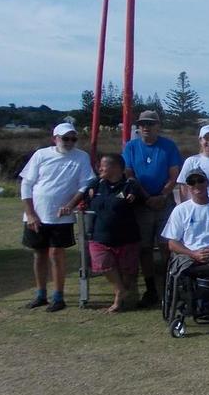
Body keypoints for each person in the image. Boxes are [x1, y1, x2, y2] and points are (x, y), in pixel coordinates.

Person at [19, 122, 95, 312]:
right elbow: (27, 183)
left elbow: (85, 184)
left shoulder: (81, 157)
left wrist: (71, 205)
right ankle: (40, 294)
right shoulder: (41, 155)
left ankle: (58, 296)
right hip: (37, 213)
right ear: (55, 139)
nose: (69, 142)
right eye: (65, 138)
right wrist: (30, 213)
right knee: (39, 253)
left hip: (61, 216)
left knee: (56, 254)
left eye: (73, 139)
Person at [64, 152, 143, 313]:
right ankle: (119, 291)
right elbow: (82, 195)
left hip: (126, 236)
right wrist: (69, 206)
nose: (100, 168)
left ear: (116, 168)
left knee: (129, 270)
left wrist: (134, 194)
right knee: (103, 265)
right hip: (100, 236)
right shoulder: (96, 184)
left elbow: (137, 197)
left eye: (103, 165)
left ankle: (124, 297)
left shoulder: (130, 185)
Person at [122, 110, 181, 308]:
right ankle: (150, 289)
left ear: (158, 126)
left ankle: (169, 285)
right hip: (142, 203)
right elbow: (129, 173)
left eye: (150, 123)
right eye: (142, 124)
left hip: (164, 203)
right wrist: (146, 197)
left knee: (167, 245)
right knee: (144, 247)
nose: (145, 127)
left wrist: (163, 195)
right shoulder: (131, 146)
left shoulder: (168, 146)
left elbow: (174, 175)